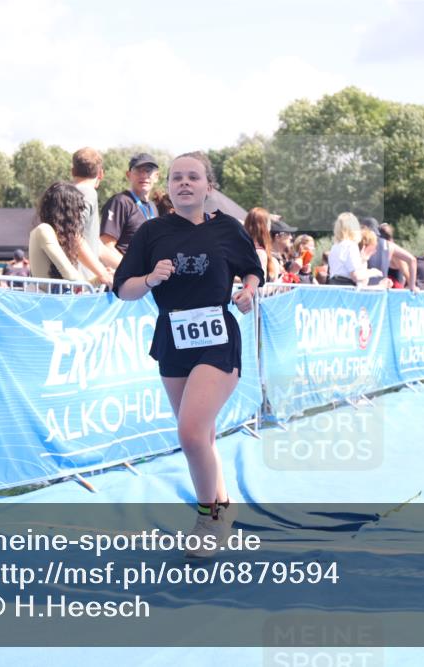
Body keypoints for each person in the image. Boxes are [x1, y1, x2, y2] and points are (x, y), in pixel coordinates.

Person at [112, 152, 263, 556]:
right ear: (169, 187)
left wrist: (247, 290)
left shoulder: (227, 228)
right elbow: (123, 288)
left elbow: (253, 269)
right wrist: (149, 278)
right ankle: (223, 504)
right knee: (203, 434)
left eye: (193, 177)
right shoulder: (152, 232)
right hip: (173, 338)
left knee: (191, 431)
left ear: (208, 187)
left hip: (217, 337)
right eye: (176, 177)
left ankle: (209, 518)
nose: (183, 183)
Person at [29, 182, 112, 292]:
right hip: (46, 301)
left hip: (50, 300)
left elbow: (76, 285)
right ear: (67, 212)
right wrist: (103, 275)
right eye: (77, 210)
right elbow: (72, 277)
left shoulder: (49, 232)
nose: (78, 215)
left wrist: (101, 279)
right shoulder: (44, 230)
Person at [99, 152, 160, 270]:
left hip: (147, 277)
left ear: (156, 176)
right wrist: (131, 271)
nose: (144, 175)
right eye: (138, 170)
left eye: (148, 171)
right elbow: (106, 246)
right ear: (129, 175)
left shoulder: (153, 207)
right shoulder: (120, 202)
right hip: (124, 276)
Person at [359, 217, 419, 293]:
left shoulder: (360, 244)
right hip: (381, 292)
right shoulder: (389, 245)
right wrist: (413, 286)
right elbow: (412, 260)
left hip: (364, 291)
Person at [71, 147, 104, 277]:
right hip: (80, 282)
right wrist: (102, 273)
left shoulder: (68, 193)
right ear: (101, 174)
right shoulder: (87, 193)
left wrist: (127, 267)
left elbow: (98, 247)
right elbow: (73, 236)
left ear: (73, 171)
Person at [327, 212, 383, 286]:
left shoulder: (335, 247)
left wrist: (362, 261)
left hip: (334, 285)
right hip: (346, 287)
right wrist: (372, 272)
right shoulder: (351, 246)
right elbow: (356, 276)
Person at [243, 207, 280, 282]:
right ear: (265, 227)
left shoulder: (239, 249)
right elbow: (259, 286)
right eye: (269, 224)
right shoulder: (259, 253)